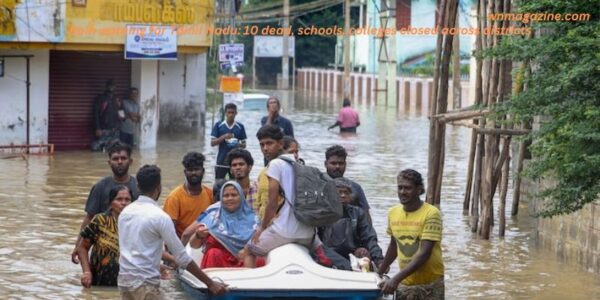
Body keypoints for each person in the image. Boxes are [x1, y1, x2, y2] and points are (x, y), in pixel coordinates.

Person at [118, 165, 228, 298]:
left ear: (138, 186)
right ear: (159, 187)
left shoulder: (125, 212)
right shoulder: (160, 216)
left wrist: (157, 266)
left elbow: (133, 250)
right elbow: (182, 257)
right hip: (145, 284)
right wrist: (210, 283)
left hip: (124, 281)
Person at [244, 125, 330, 268]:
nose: (265, 148)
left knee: (248, 250)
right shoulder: (299, 164)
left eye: (269, 143)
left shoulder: (275, 164)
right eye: (262, 145)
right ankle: (318, 250)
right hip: (307, 235)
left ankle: (247, 287)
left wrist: (261, 229)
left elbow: (272, 203)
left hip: (285, 232)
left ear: (280, 144)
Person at [378, 169, 444, 299]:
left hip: (430, 284)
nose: (402, 192)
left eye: (407, 188)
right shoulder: (393, 212)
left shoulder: (431, 213)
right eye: (400, 188)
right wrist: (379, 271)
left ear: (419, 190)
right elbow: (393, 246)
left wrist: (395, 279)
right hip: (405, 282)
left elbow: (424, 254)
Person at [71, 141, 139, 265]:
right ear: (109, 162)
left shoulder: (138, 187)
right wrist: (78, 246)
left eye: (123, 158)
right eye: (115, 159)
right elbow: (89, 218)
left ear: (130, 161)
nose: (119, 162)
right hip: (103, 251)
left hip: (131, 248)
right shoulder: (100, 187)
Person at [189, 181, 265, 268]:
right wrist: (198, 235)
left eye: (234, 195)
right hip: (217, 263)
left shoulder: (254, 220)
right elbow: (193, 245)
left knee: (259, 259)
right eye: (226, 196)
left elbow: (263, 245)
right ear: (221, 198)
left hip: (245, 263)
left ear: (241, 197)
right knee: (213, 253)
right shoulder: (212, 218)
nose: (230, 198)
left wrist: (247, 251)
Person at [318, 178, 383, 271]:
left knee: (363, 253)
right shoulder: (322, 214)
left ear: (350, 196)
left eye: (346, 192)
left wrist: (379, 259)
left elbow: (369, 238)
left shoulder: (357, 213)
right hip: (329, 253)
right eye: (339, 192)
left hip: (352, 253)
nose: (343, 195)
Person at [77, 185, 133, 288]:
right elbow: (82, 247)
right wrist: (87, 272)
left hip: (127, 285)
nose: (123, 203)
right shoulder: (100, 221)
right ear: (111, 202)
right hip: (99, 281)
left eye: (127, 200)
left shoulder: (136, 224)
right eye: (119, 199)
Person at [163, 152, 214, 238]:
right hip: (182, 242)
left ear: (203, 171)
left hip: (203, 241)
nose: (194, 173)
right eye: (190, 170)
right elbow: (169, 230)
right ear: (185, 172)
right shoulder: (175, 197)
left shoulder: (210, 194)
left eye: (197, 169)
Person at [324, 145, 371, 222]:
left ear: (345, 164)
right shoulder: (318, 185)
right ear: (326, 164)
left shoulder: (355, 188)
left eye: (340, 163)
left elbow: (366, 218)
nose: (337, 167)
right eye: (333, 163)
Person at [211, 103, 247, 180]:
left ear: (236, 113)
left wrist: (237, 144)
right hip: (221, 161)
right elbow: (212, 143)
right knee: (218, 183)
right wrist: (224, 137)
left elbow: (244, 145)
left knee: (236, 183)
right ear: (225, 113)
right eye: (229, 112)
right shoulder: (218, 125)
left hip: (235, 162)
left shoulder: (240, 127)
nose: (230, 115)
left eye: (232, 113)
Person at [92, 79, 121, 151]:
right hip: (103, 129)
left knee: (113, 150)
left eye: (113, 85)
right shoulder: (100, 98)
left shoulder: (117, 99)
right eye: (110, 85)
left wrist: (117, 126)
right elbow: (95, 114)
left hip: (114, 129)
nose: (112, 87)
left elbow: (121, 112)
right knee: (97, 149)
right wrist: (98, 128)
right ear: (106, 86)